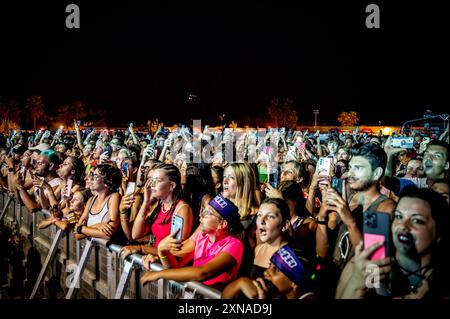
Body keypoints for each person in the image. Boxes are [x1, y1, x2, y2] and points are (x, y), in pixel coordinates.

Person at [336, 188, 449, 299]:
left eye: (417, 220)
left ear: (439, 232)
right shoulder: (363, 266)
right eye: (398, 216)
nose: (403, 226)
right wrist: (357, 283)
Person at [140, 194, 244, 290]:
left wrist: (160, 274)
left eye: (208, 212)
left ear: (222, 224)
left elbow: (203, 273)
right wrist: (162, 253)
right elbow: (175, 266)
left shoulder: (234, 244)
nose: (201, 215)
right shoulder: (201, 237)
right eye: (203, 210)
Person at [120, 164, 193, 263]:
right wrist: (146, 203)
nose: (152, 185)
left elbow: (175, 250)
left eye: (158, 181)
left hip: (166, 264)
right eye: (152, 180)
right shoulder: (159, 205)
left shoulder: (182, 209)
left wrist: (141, 248)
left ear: (172, 186)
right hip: (154, 260)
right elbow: (135, 235)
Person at [221, 245, 314, 299]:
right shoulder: (275, 293)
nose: (266, 273)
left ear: (295, 282)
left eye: (276, 269)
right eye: (269, 265)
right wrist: (240, 283)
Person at [73, 164, 123, 242]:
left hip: (107, 252)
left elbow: (108, 234)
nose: (91, 179)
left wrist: (82, 228)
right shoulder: (91, 200)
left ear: (107, 181)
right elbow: (77, 235)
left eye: (96, 176)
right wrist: (98, 226)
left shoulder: (114, 197)